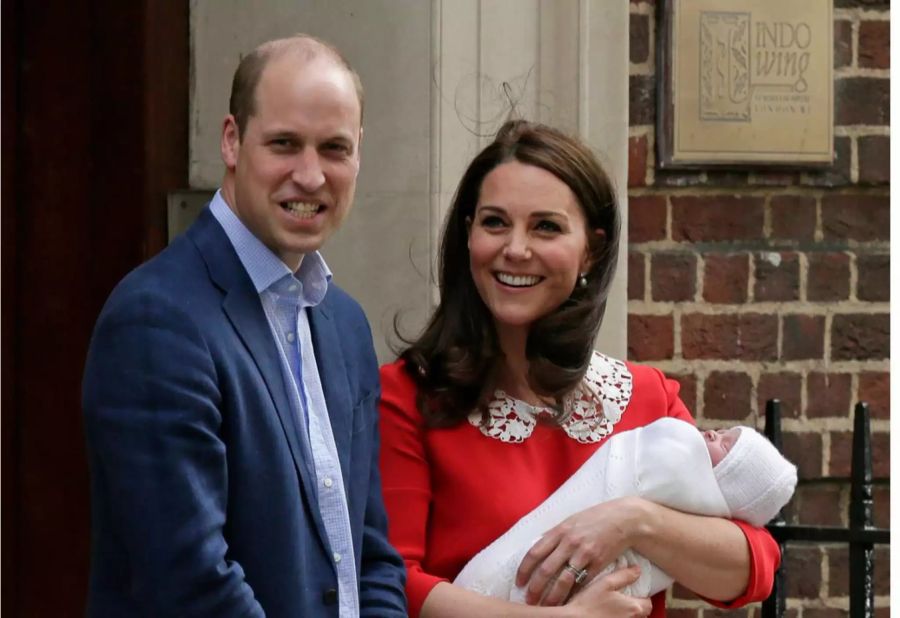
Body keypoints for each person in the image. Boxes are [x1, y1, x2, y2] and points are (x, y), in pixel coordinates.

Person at [378, 119, 781, 618]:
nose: (516, 249)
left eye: (545, 226)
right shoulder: (405, 396)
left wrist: (634, 521)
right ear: (468, 235)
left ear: (590, 247)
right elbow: (393, 583)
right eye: (495, 222)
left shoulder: (645, 397)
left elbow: (754, 567)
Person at [82, 35, 406, 617]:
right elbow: (190, 584)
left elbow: (370, 557)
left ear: (359, 152)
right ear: (232, 141)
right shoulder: (156, 321)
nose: (310, 176)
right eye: (284, 144)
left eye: (334, 148)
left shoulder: (344, 324)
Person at [453, 417, 797, 601]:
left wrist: (633, 520)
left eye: (727, 444)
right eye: (723, 433)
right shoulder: (412, 396)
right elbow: (402, 575)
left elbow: (758, 560)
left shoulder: (650, 396)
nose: (710, 434)